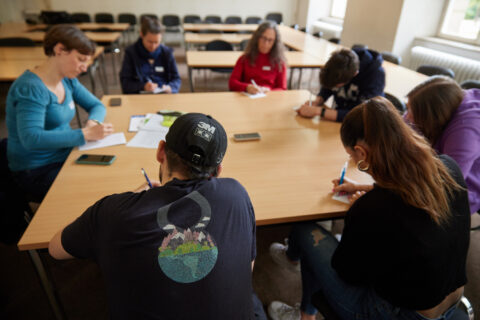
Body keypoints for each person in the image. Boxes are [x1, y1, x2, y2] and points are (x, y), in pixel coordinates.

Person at [268, 97, 471, 320]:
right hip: (451, 301)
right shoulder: (447, 167)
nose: (352, 159)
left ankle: (305, 314)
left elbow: (348, 273)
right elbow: (410, 195)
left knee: (305, 229)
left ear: (361, 153)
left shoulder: (370, 210)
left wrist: (361, 218)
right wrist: (366, 189)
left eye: (351, 155)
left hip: (397, 313)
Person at [49, 113, 263, 319]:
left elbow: (55, 249)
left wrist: (132, 198)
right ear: (218, 171)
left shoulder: (112, 212)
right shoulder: (236, 194)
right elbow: (246, 269)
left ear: (161, 151)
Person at [6, 24, 113, 203]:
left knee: (107, 175)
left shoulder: (67, 80)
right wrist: (84, 134)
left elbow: (97, 105)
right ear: (59, 50)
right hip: (36, 170)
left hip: (64, 155)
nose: (85, 68)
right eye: (81, 59)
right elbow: (31, 138)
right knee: (95, 191)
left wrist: (93, 122)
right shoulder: (31, 88)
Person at [406, 76, 480, 215]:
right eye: (408, 108)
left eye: (411, 113)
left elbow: (447, 183)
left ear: (430, 118)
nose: (407, 116)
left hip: (462, 187)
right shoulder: (439, 105)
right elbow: (403, 129)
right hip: (436, 168)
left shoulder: (465, 133)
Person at [297, 48, 385, 122]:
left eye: (337, 85)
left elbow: (360, 114)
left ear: (354, 74)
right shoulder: (340, 63)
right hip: (340, 121)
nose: (334, 87)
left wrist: (319, 111)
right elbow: (328, 86)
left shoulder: (375, 75)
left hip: (361, 127)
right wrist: (319, 100)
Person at [120, 16, 181, 94]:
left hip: (164, 96)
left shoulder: (167, 53)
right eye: (150, 42)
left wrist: (171, 88)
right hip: (139, 97)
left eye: (156, 42)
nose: (153, 46)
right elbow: (125, 83)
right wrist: (143, 86)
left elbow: (176, 79)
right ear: (141, 35)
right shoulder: (131, 53)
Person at [229, 21, 287, 94]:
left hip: (270, 100)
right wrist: (247, 87)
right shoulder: (244, 58)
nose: (266, 43)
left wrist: (270, 91)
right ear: (257, 38)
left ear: (275, 42)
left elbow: (282, 88)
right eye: (263, 38)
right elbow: (232, 83)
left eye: (270, 40)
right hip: (248, 98)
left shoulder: (279, 62)